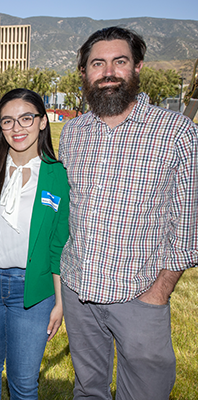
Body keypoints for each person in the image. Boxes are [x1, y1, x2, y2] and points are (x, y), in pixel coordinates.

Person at [59, 26, 198, 400]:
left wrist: (158, 293)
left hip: (140, 293)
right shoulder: (73, 134)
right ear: (85, 73)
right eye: (97, 64)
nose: (108, 72)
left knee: (146, 394)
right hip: (79, 289)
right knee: (88, 389)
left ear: (137, 67)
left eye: (119, 62)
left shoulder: (176, 133)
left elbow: (186, 226)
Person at [0, 88, 69, 399]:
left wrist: (60, 300)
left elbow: (58, 244)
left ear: (42, 122)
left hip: (33, 291)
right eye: (7, 121)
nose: (17, 128)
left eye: (26, 118)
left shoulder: (58, 175)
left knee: (24, 382)